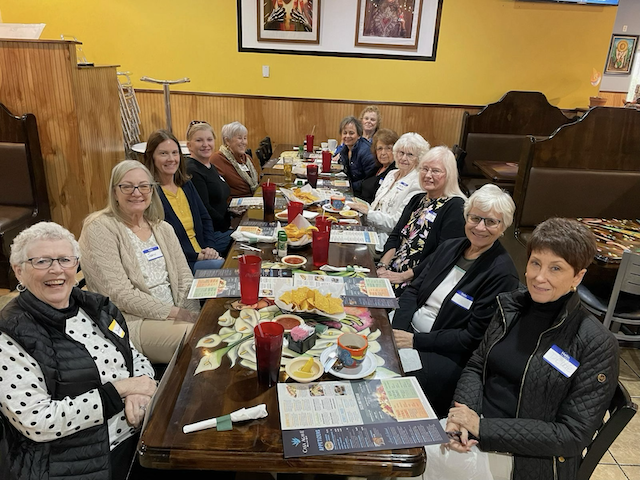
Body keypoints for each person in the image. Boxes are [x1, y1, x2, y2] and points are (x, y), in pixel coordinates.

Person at [426, 218, 619, 480]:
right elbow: (477, 364)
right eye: (535, 263)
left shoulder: (595, 342)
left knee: (414, 462)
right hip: (475, 430)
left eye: (555, 269)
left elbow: (572, 435)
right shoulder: (511, 307)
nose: (540, 277)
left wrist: (484, 428)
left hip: (529, 461)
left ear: (578, 276)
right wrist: (463, 417)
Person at [0, 222, 156, 480]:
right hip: (75, 464)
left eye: (65, 259)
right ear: (19, 271)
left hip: (137, 435)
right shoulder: (10, 333)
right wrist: (122, 390)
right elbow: (37, 420)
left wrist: (139, 391)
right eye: (41, 261)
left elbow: (133, 355)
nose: (56, 269)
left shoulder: (96, 307)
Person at [392, 184, 520, 416]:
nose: (480, 227)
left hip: (444, 354)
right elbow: (413, 290)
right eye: (475, 218)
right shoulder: (449, 247)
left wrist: (415, 342)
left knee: (393, 381)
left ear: (504, 227)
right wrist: (398, 330)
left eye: (491, 221)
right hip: (408, 332)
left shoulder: (502, 273)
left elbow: (471, 338)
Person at [79, 160, 200, 364]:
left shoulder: (163, 229)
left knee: (216, 326)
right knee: (199, 340)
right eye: (127, 186)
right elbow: (118, 294)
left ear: (152, 190)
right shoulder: (99, 228)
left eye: (144, 186)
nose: (137, 192)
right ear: (114, 191)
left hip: (176, 314)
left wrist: (193, 314)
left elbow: (185, 279)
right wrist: (175, 313)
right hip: (131, 321)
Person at [377, 146, 467, 295]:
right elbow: (395, 236)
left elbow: (442, 255)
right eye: (424, 169)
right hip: (391, 272)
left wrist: (402, 276)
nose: (428, 175)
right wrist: (382, 267)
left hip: (416, 282)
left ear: (449, 175)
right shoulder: (417, 199)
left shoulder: (455, 206)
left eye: (436, 171)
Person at [144, 129, 229, 268]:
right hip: (181, 264)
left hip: (203, 254)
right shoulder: (149, 193)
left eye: (174, 153)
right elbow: (160, 243)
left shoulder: (186, 185)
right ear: (151, 157)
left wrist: (210, 248)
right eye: (163, 153)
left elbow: (205, 218)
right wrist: (198, 256)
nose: (171, 159)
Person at [349, 132, 426, 254]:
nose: (403, 158)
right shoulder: (391, 174)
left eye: (410, 154)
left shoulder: (417, 185)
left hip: (383, 243)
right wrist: (358, 206)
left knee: (345, 249)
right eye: (401, 153)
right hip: (368, 231)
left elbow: (397, 223)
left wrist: (367, 212)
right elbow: (376, 207)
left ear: (419, 158)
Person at [185, 121, 232, 235]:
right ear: (189, 145)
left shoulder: (210, 166)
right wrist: (229, 226)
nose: (205, 144)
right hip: (213, 233)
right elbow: (205, 209)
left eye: (209, 140)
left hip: (223, 225)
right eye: (199, 140)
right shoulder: (192, 171)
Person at [211, 121, 261, 201]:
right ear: (227, 141)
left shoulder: (247, 158)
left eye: (245, 138)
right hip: (235, 207)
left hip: (253, 201)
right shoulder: (217, 159)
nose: (244, 142)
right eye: (240, 138)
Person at [336, 116, 376, 198]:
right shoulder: (345, 149)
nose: (347, 136)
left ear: (359, 135)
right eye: (344, 133)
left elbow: (370, 181)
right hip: (352, 190)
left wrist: (348, 186)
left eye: (351, 133)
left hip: (363, 194)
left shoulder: (365, 151)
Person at [357, 128, 398, 204]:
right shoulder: (377, 167)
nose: (383, 153)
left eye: (388, 148)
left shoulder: (395, 173)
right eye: (379, 148)